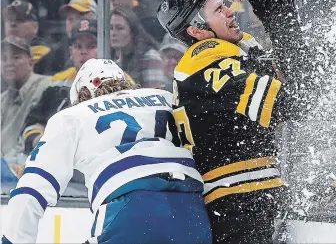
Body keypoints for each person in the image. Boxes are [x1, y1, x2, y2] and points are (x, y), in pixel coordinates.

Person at [157, 0, 317, 243]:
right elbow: (295, 102)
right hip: (238, 202)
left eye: (225, 4)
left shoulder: (229, 54)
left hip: (244, 198)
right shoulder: (208, 61)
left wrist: (282, 31)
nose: (230, 11)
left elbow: (302, 90)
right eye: (219, 9)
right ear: (197, 30)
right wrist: (286, 31)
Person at [1, 59, 212, 244]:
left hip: (128, 206)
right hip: (192, 207)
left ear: (82, 94)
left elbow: (32, 189)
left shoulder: (72, 116)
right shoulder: (165, 97)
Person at [22, 19, 134, 155]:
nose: (83, 52)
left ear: (106, 48)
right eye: (78, 46)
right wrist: (39, 140)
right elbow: (33, 123)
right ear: (71, 51)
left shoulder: (122, 81)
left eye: (91, 46)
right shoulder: (57, 82)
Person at [1, 36, 50, 159]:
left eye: (16, 57)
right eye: (4, 58)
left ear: (31, 62)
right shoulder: (2, 99)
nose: (9, 63)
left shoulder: (47, 88)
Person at [110, 7, 164, 88]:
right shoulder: (113, 59)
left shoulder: (150, 57)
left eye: (119, 28)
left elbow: (155, 95)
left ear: (133, 32)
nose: (113, 33)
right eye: (111, 28)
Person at [2, 0, 60, 75]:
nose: (12, 24)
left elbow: (18, 75)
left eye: (20, 20)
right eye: (9, 20)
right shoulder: (4, 47)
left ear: (35, 27)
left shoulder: (41, 48)